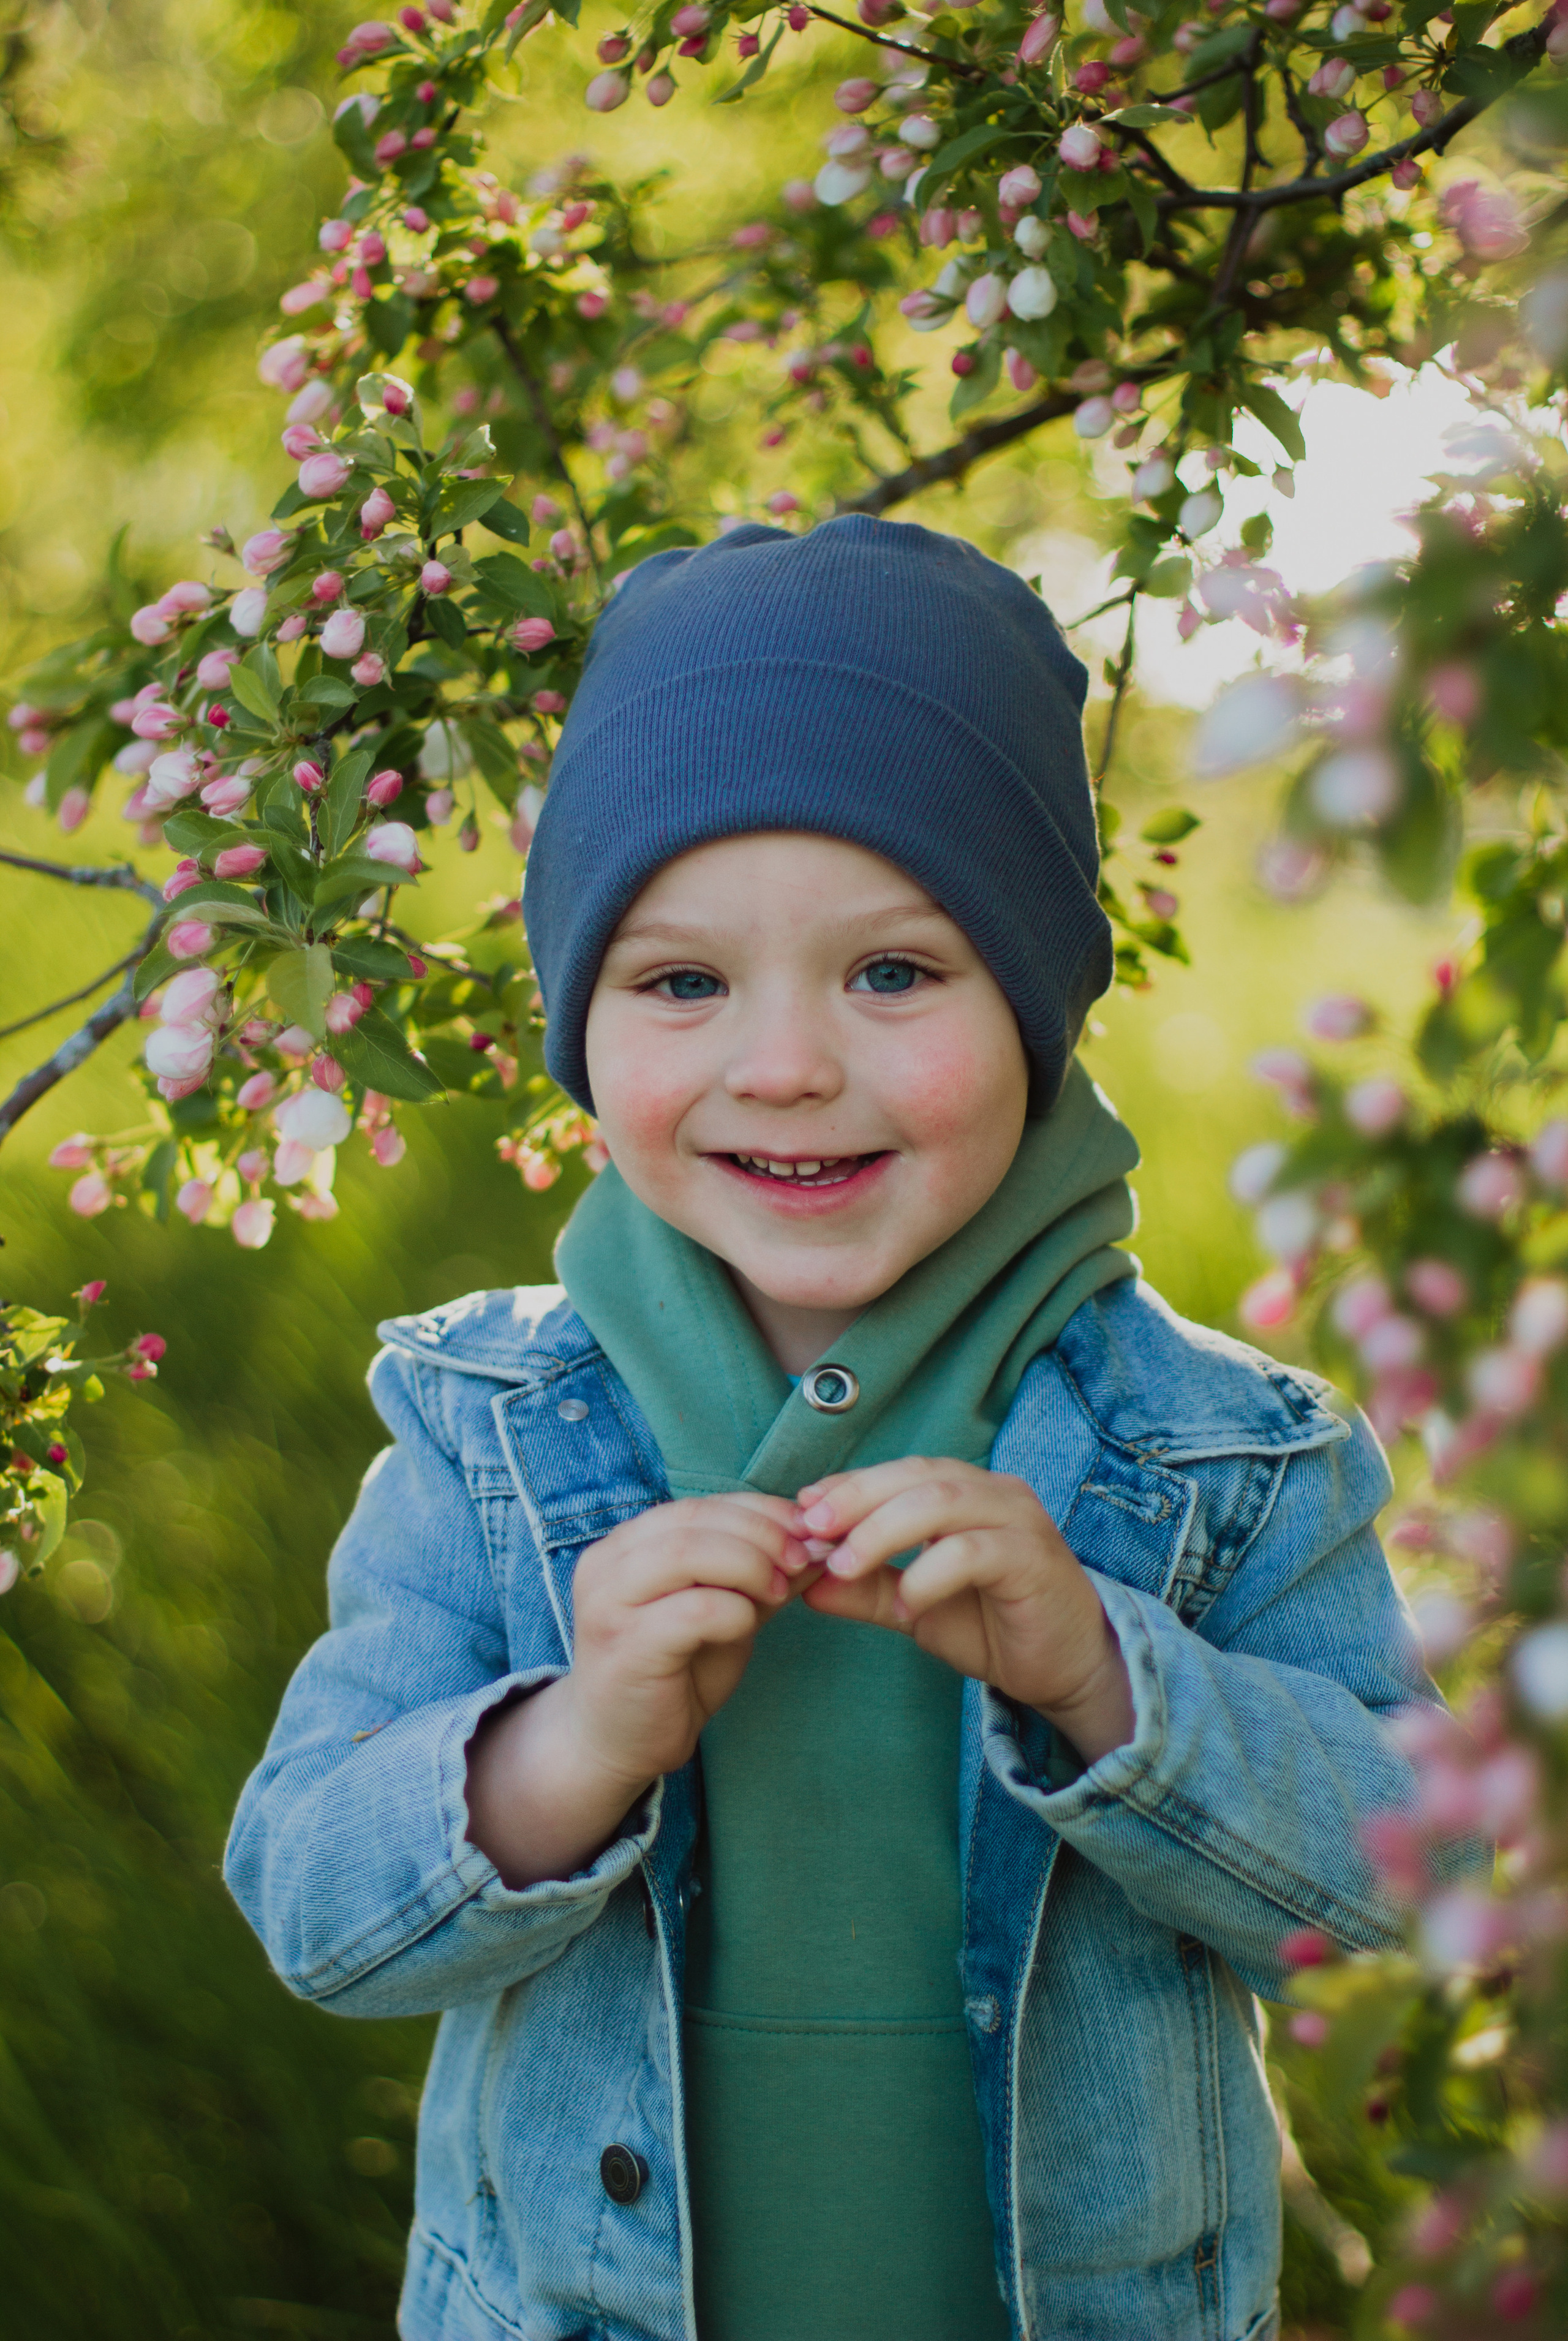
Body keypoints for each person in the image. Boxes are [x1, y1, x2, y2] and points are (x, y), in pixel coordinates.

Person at [227, 516, 1448, 2341]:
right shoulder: (489, 1432)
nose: (785, 1062)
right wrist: (572, 1742)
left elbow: (1418, 1879)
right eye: (681, 981)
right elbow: (316, 1908)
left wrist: (1108, 1683)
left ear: (1034, 1005)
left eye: (893, 972)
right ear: (580, 1020)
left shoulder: (1226, 1453)